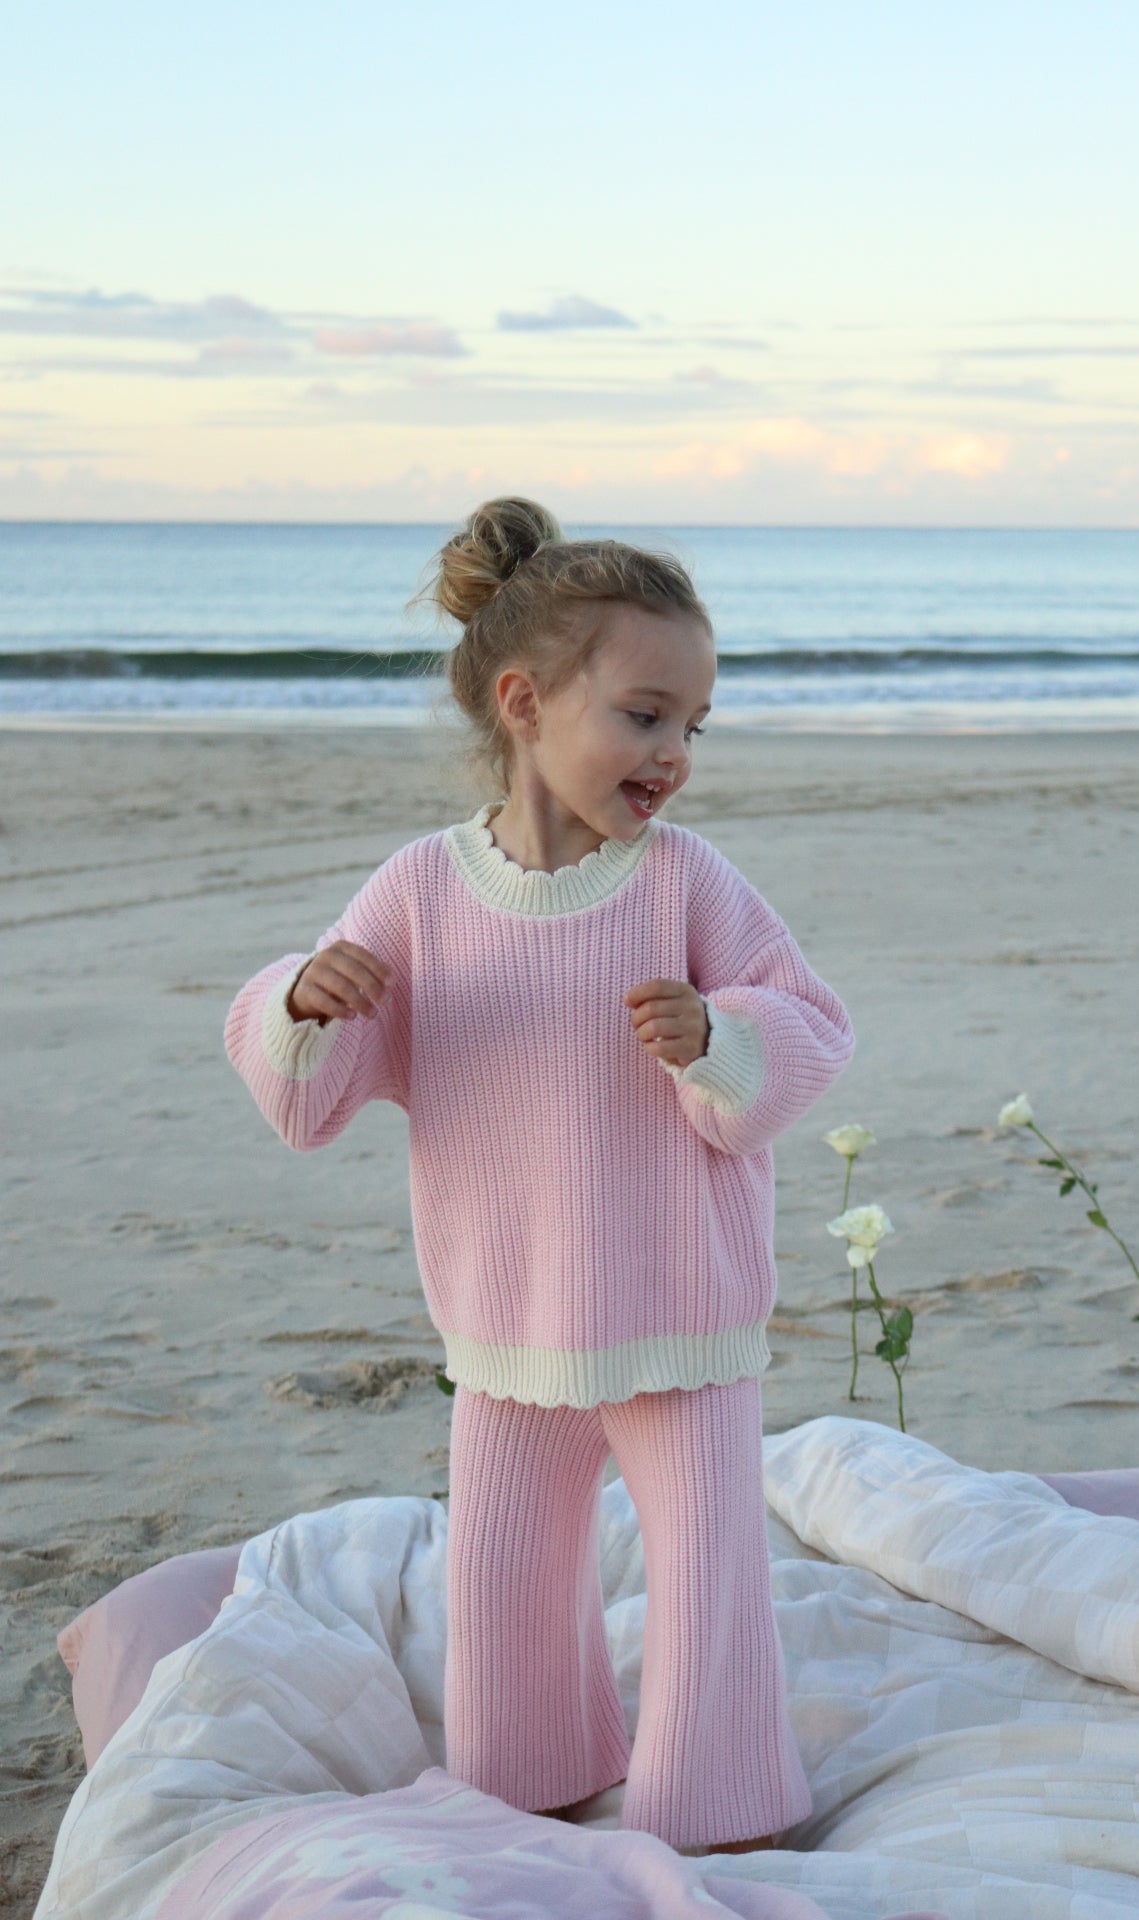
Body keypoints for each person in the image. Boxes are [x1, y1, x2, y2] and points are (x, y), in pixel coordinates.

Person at [224, 497, 856, 1854]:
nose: (676, 753)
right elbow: (306, 1102)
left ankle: (719, 1809)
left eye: (695, 724)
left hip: (678, 1315)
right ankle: (531, 1783)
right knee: (503, 1581)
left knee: (706, 1586)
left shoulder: (686, 883)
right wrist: (301, 1003)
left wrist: (720, 1040)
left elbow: (809, 1021)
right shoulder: (418, 895)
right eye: (645, 715)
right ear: (525, 701)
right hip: (506, 1326)